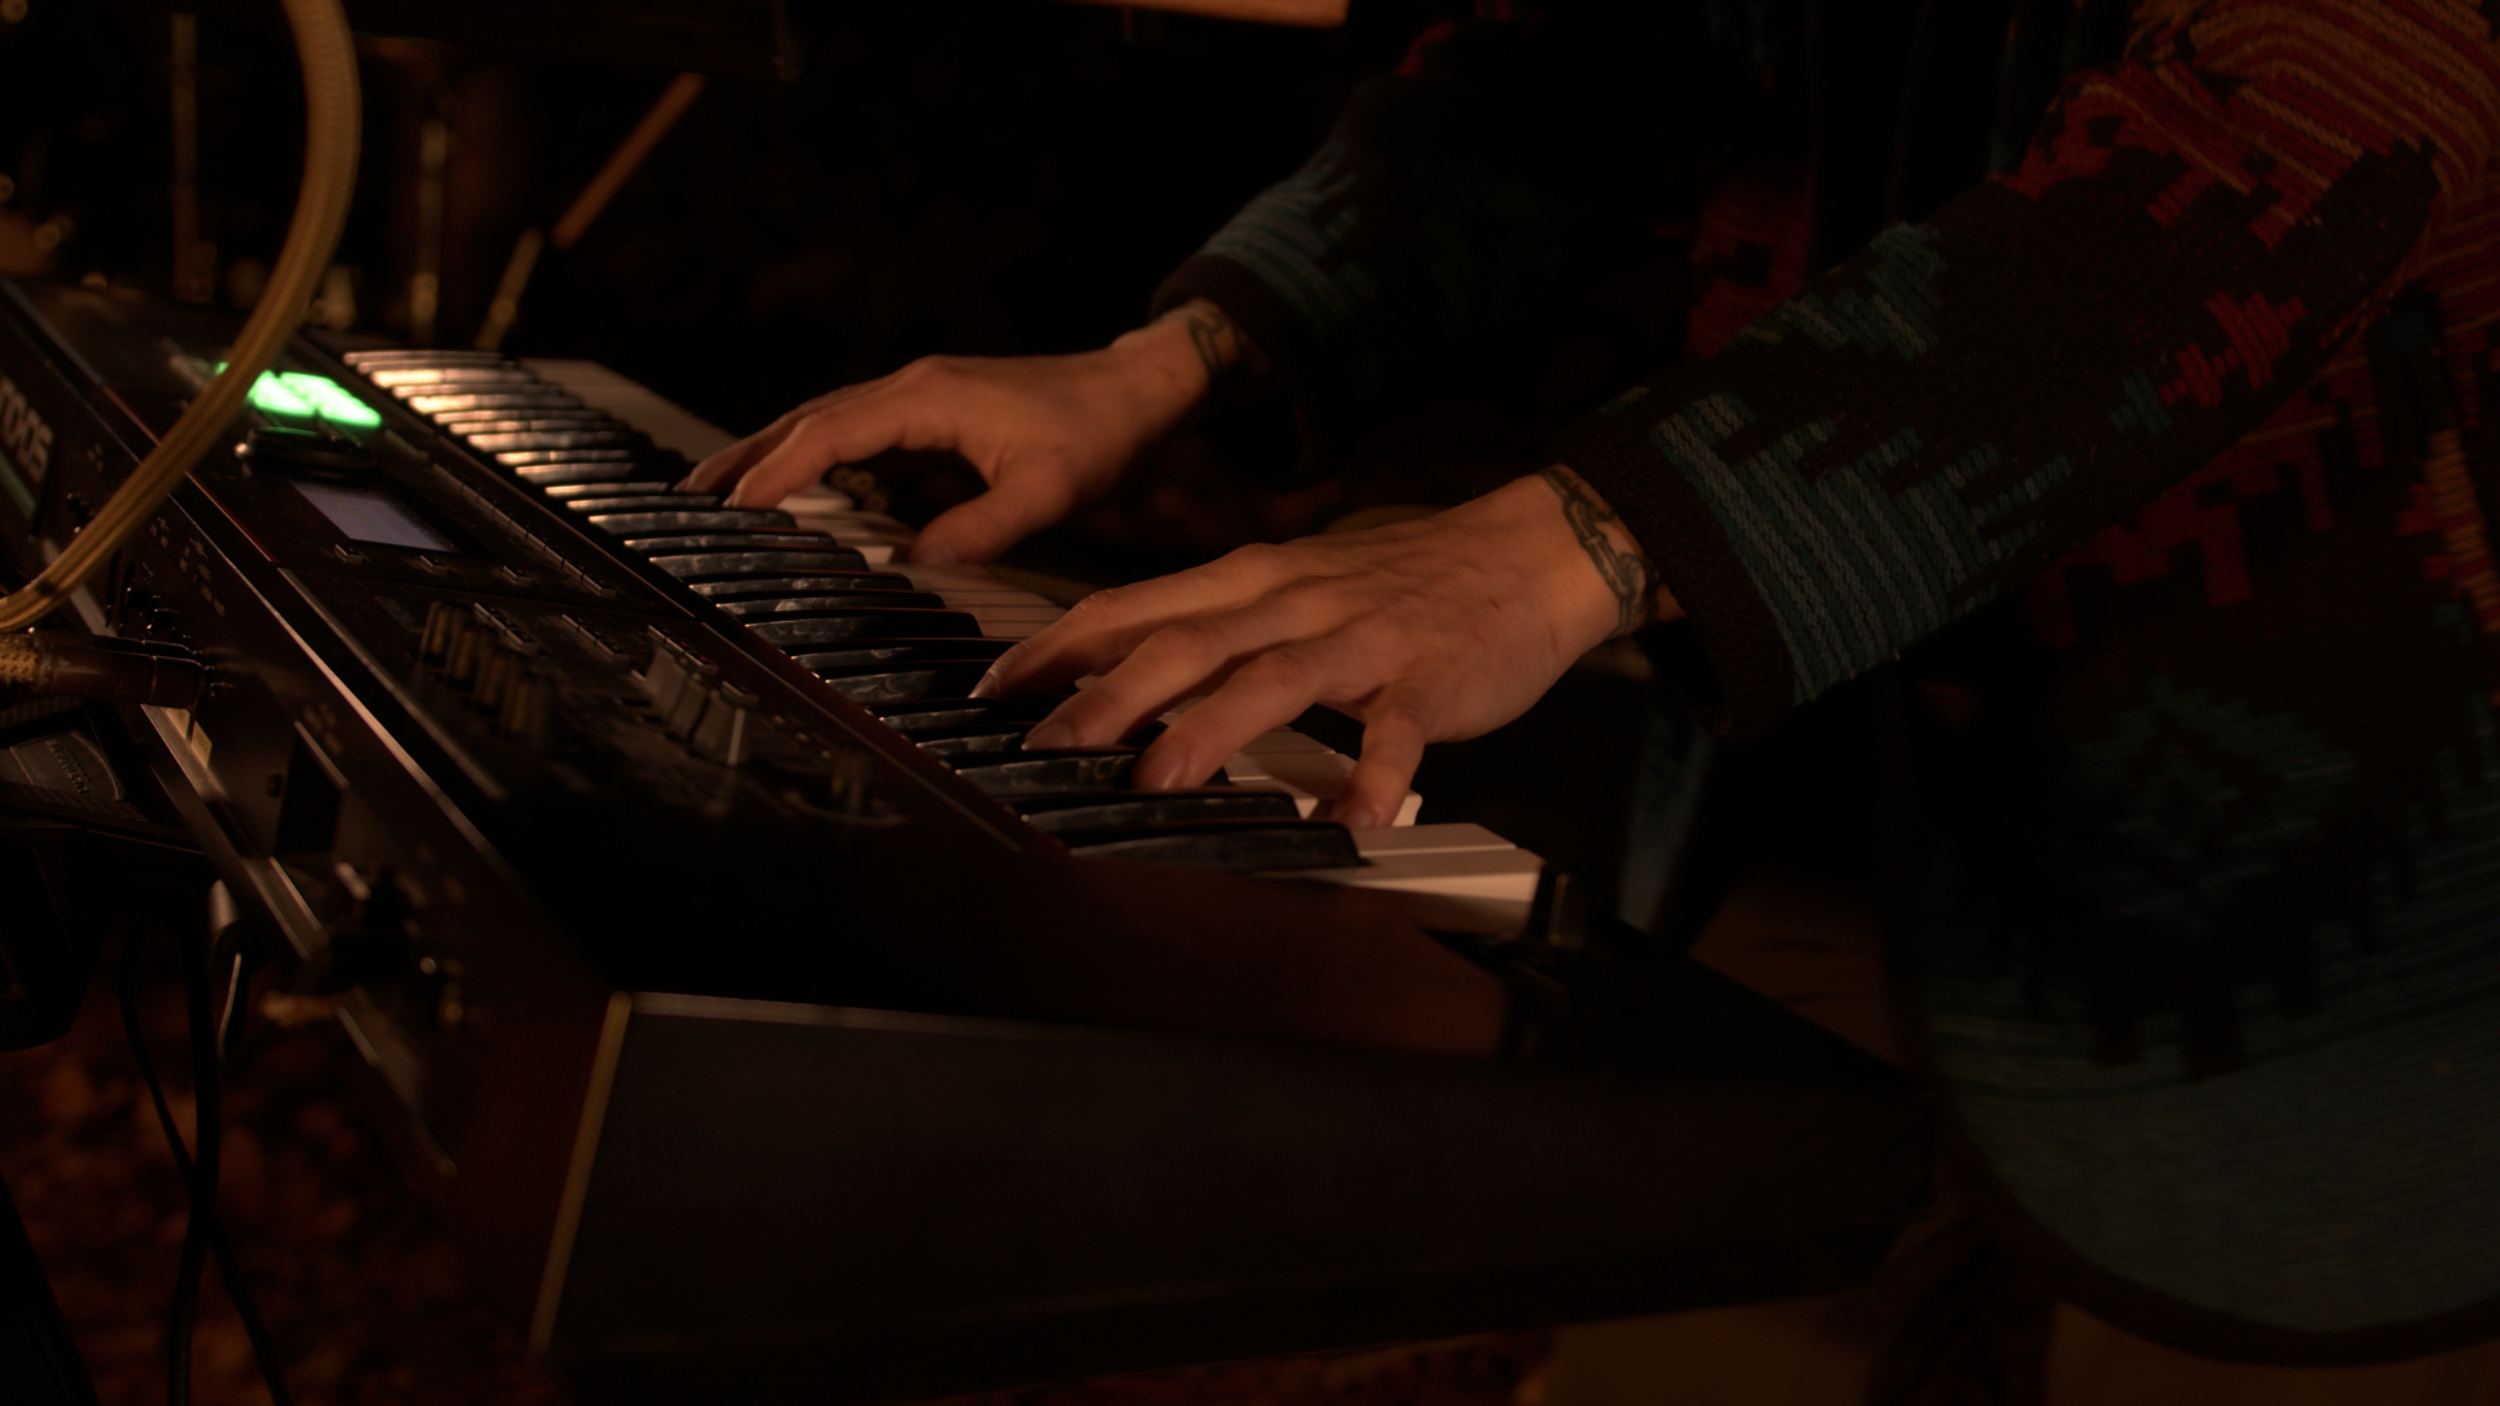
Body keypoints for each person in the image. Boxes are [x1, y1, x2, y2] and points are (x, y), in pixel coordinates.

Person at [688, 0, 2500, 1397]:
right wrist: (1173, 355)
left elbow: (2317, 103)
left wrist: (1587, 538)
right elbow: (1624, 54)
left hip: (2346, 927)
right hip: (1816, 800)